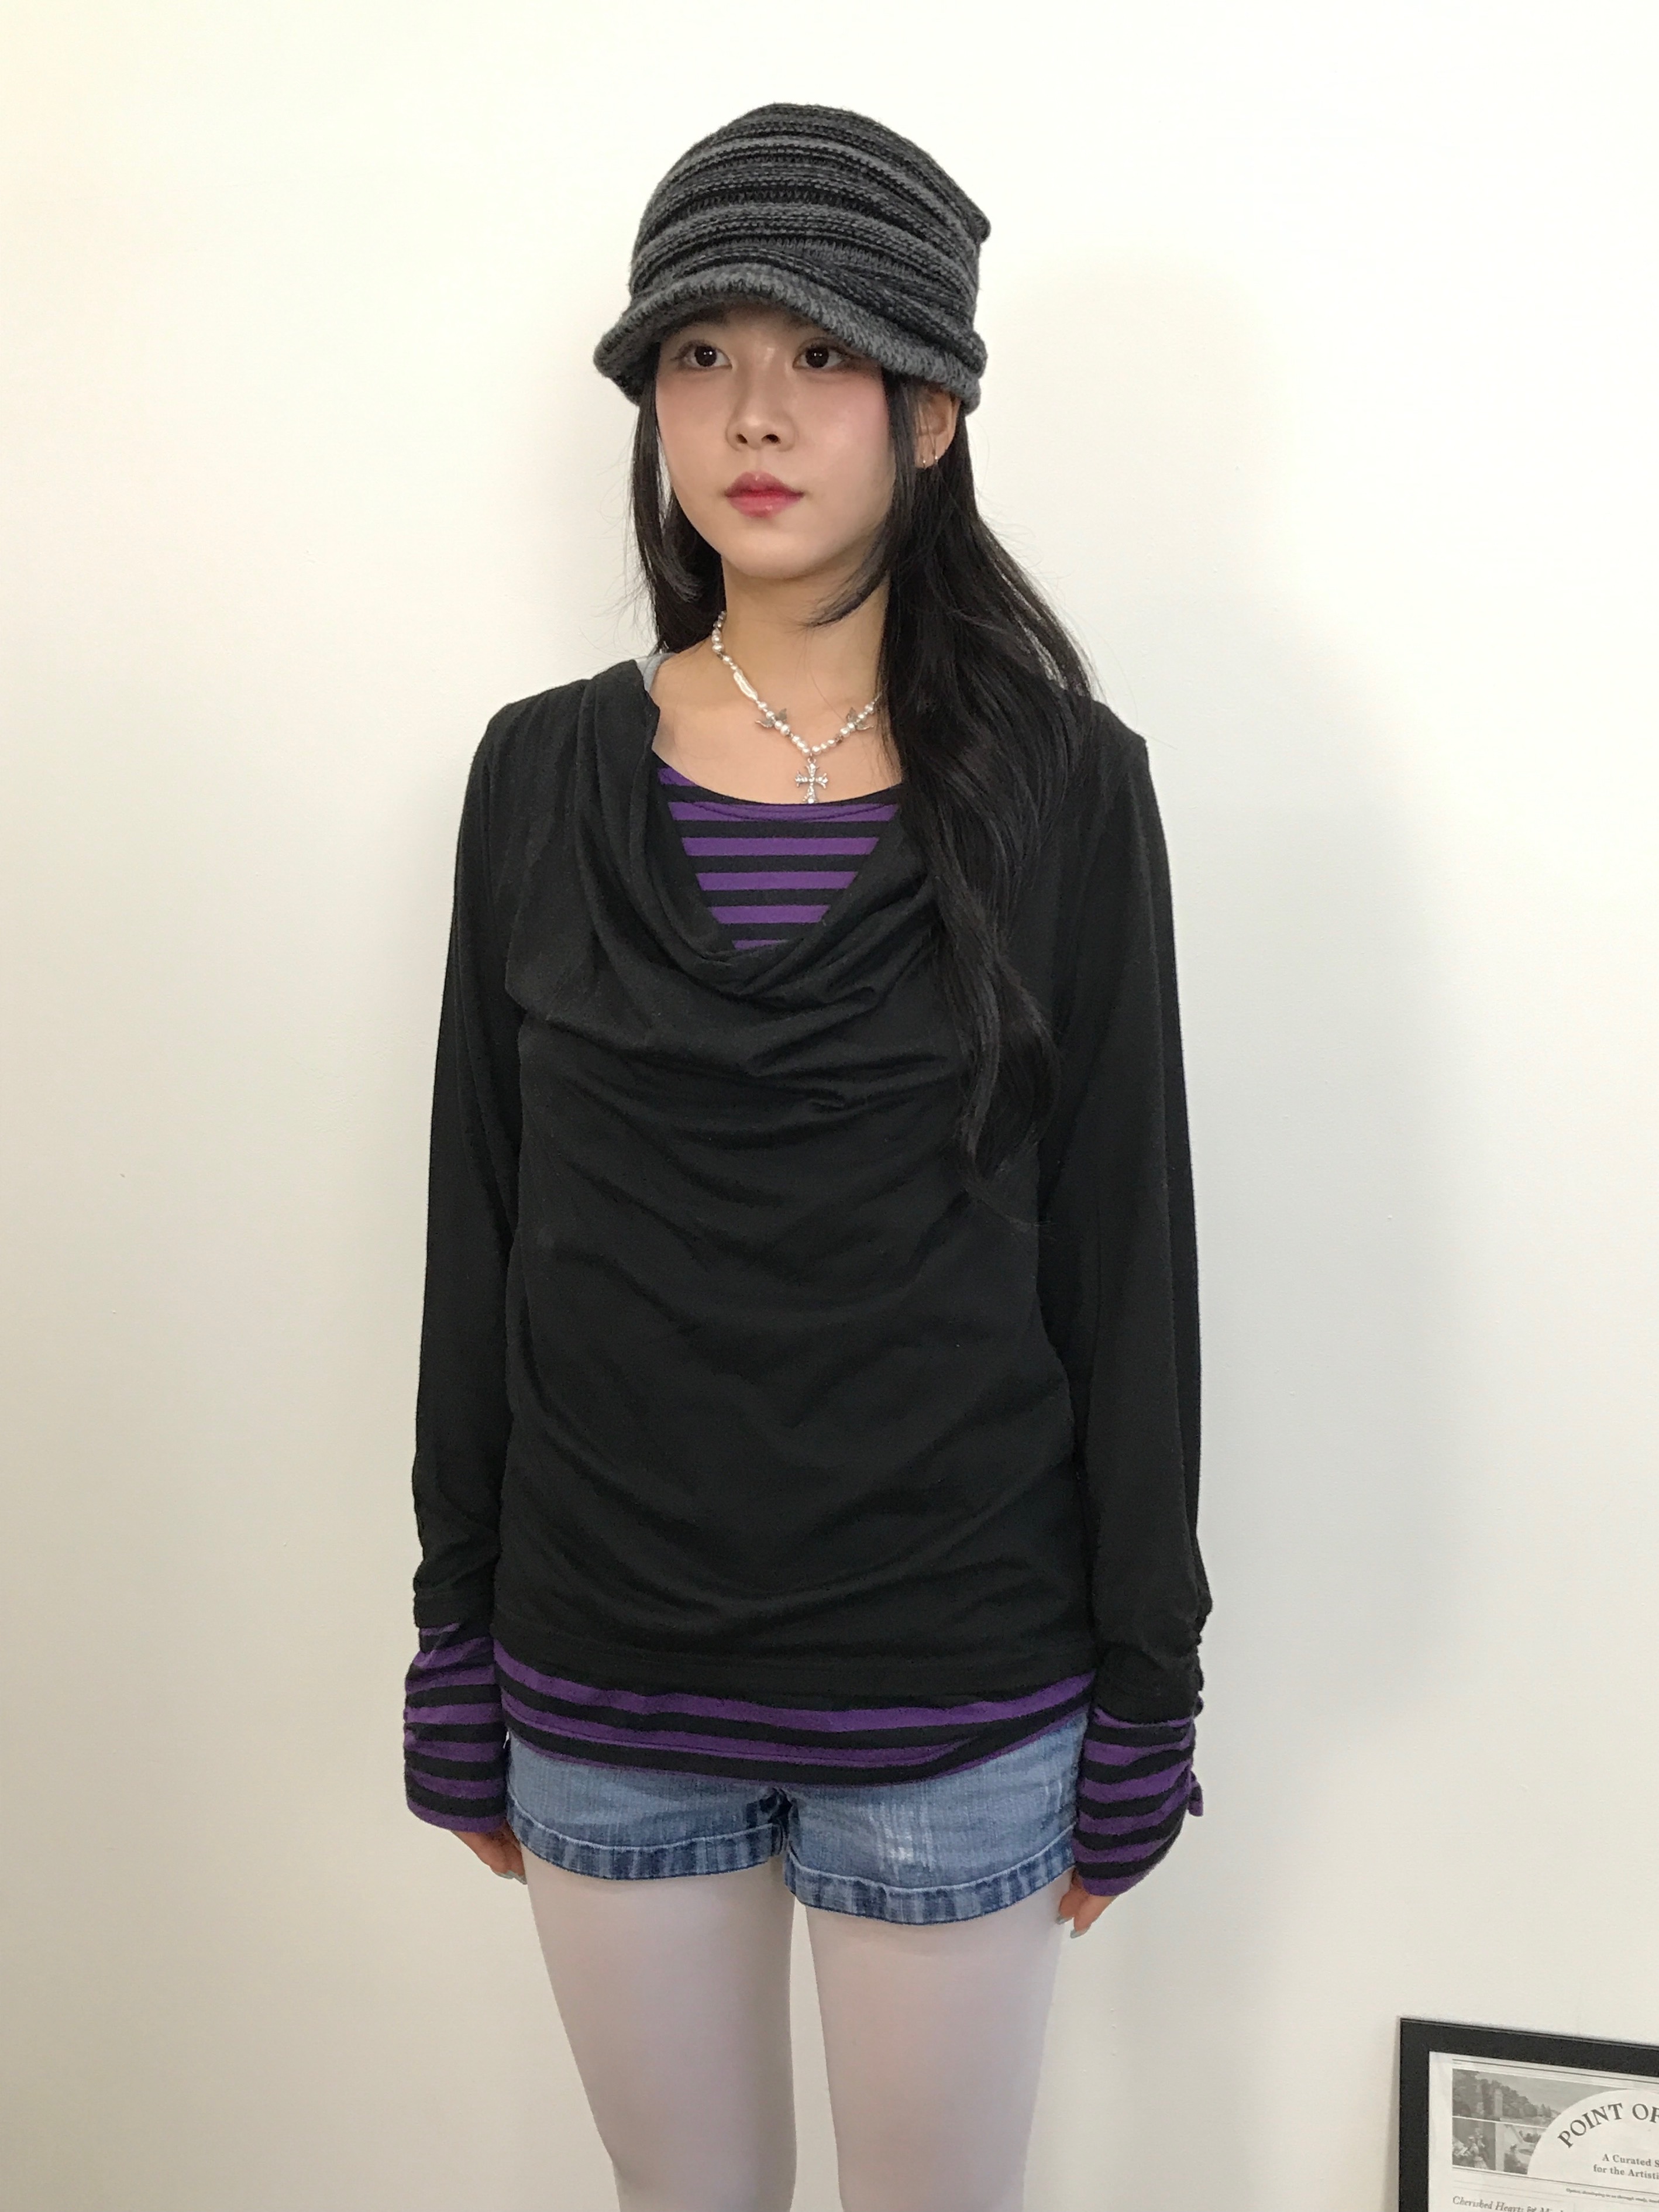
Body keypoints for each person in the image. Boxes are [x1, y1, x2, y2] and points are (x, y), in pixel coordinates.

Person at [401, 100, 1211, 2212]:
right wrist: (452, 1626)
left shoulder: (1063, 786)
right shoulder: (537, 775)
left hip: (955, 1676)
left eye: (821, 353)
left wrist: (1150, 1681)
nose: (752, 410)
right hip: (602, 1667)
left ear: (930, 411)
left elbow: (1124, 1249)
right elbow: (482, 1223)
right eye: (700, 354)